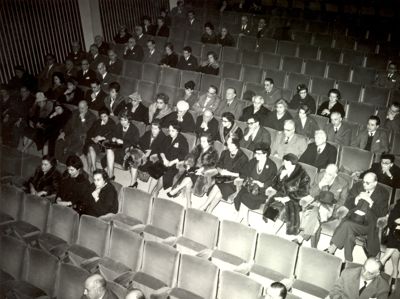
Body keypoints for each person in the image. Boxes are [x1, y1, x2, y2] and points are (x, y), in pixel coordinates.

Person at [325, 172, 390, 261]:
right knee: (349, 235)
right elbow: (347, 203)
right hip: (354, 218)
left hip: (368, 224)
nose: (364, 185)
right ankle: (348, 261)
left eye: (367, 183)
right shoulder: (357, 186)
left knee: (347, 225)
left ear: (375, 183)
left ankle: (331, 249)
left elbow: (382, 213)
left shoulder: (383, 193)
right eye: (363, 181)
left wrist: (371, 202)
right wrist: (356, 199)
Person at [292, 164, 349, 247]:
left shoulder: (343, 183)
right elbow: (310, 193)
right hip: (315, 204)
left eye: (329, 174)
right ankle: (312, 247)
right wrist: (319, 185)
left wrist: (333, 208)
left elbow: (342, 201)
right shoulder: (319, 176)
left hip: (330, 208)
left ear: (335, 175)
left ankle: (301, 237)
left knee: (315, 214)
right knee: (315, 214)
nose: (326, 176)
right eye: (326, 172)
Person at [167, 133, 219, 208]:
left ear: (209, 142)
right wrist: (188, 164)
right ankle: (189, 203)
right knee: (189, 182)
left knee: (190, 178)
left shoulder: (214, 152)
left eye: (204, 141)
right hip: (193, 168)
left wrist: (203, 169)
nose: (202, 143)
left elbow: (213, 165)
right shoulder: (198, 147)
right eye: (201, 141)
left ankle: (177, 189)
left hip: (202, 172)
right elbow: (190, 156)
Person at [200, 134, 248, 212]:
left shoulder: (243, 158)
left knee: (218, 187)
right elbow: (218, 165)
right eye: (227, 143)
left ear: (236, 144)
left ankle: (204, 206)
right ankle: (209, 210)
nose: (227, 146)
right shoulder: (225, 152)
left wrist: (229, 173)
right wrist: (221, 171)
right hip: (222, 177)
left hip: (233, 181)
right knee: (219, 191)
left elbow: (243, 175)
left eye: (230, 144)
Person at [264, 153, 310, 235]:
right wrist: (280, 177)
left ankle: (273, 232)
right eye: (284, 162)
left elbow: (304, 192)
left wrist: (288, 198)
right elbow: (275, 185)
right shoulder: (283, 169)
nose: (284, 164)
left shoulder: (302, 175)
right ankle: (269, 229)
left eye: (286, 163)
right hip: (281, 195)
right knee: (273, 206)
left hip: (294, 200)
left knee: (284, 210)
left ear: (292, 163)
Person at [234, 143, 277, 226]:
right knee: (243, 196)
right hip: (249, 187)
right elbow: (244, 171)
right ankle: (244, 221)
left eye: (258, 154)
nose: (255, 155)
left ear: (265, 154)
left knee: (245, 197)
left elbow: (273, 181)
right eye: (255, 153)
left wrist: (262, 184)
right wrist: (247, 179)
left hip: (261, 191)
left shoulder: (272, 166)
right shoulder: (253, 161)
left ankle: (238, 219)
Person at [152, 122, 189, 198]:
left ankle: (155, 192)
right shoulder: (168, 137)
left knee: (163, 175)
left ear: (177, 131)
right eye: (169, 130)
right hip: (164, 161)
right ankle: (150, 192)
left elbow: (184, 155)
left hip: (174, 165)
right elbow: (161, 149)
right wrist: (164, 159)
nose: (170, 133)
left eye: (173, 131)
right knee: (155, 172)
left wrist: (172, 162)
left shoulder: (182, 140)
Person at [100, 111, 140, 181]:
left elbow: (134, 144)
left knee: (109, 156)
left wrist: (123, 142)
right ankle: (111, 175)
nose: (123, 122)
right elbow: (112, 133)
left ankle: (110, 175)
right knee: (109, 149)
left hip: (126, 150)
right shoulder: (119, 125)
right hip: (118, 147)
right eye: (121, 120)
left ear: (129, 120)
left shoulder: (134, 129)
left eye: (125, 120)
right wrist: (113, 138)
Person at [129, 119, 166, 188]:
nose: (153, 130)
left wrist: (151, 151)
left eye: (155, 129)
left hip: (153, 158)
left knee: (155, 167)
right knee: (134, 159)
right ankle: (133, 183)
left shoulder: (163, 138)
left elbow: (162, 151)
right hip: (143, 155)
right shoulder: (148, 133)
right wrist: (143, 152)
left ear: (160, 129)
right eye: (152, 128)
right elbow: (140, 142)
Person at [84, 109, 116, 174]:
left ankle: (93, 168)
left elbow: (113, 135)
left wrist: (102, 138)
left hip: (104, 144)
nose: (103, 118)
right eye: (101, 117)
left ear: (108, 116)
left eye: (105, 116)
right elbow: (89, 132)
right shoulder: (97, 122)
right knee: (90, 148)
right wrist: (93, 138)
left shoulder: (112, 123)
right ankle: (93, 168)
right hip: (95, 142)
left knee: (90, 149)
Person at [381, 199, 400, 293]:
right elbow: (392, 220)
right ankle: (395, 273)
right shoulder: (399, 204)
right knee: (397, 238)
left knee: (397, 238)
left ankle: (382, 261)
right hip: (396, 233)